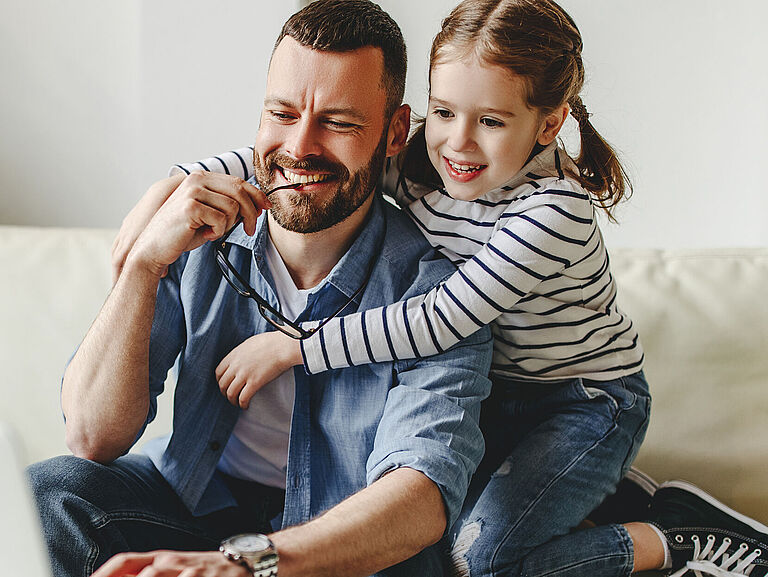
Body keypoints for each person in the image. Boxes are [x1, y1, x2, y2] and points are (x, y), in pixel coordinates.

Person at [116, 1, 768, 576]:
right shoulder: (427, 159)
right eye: (446, 111)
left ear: (548, 123)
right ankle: (600, 499)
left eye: (491, 121)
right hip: (501, 393)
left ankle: (671, 538)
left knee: (475, 558)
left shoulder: (552, 211)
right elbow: (302, 159)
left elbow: (441, 318)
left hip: (582, 404)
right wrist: (174, 186)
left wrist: (295, 345)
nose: (458, 142)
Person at [27, 2, 495, 576]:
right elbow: (93, 436)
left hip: (339, 541)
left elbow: (419, 497)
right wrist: (145, 263)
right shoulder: (197, 233)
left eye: (340, 122)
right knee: (49, 495)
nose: (300, 146)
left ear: (395, 132)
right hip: (196, 504)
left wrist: (256, 564)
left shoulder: (444, 293)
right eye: (282, 113)